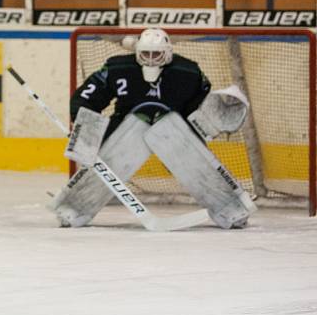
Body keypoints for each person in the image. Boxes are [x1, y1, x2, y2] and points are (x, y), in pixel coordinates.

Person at [52, 27, 255, 229]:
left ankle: (231, 209)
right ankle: (72, 208)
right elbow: (84, 99)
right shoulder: (117, 68)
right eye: (145, 54)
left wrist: (204, 125)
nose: (150, 59)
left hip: (174, 127)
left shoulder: (188, 72)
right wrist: (87, 131)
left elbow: (200, 105)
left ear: (168, 53)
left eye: (156, 54)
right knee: (109, 161)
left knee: (194, 160)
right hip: (125, 125)